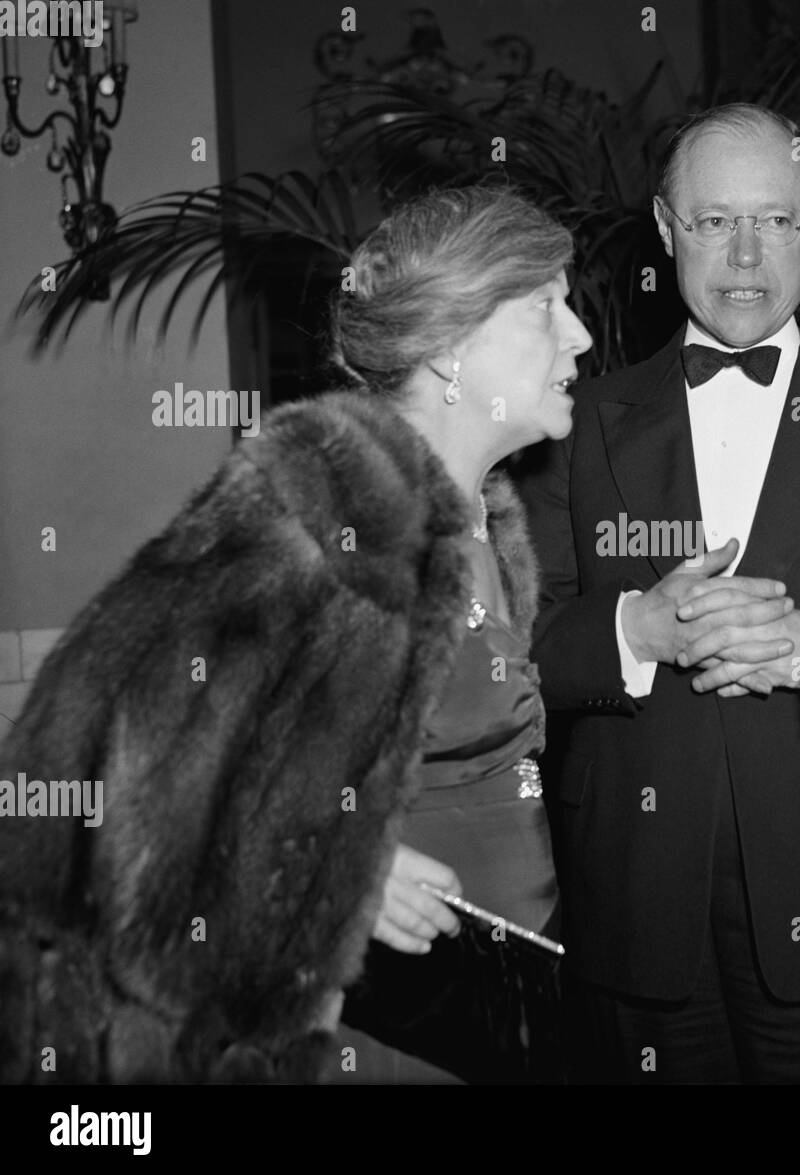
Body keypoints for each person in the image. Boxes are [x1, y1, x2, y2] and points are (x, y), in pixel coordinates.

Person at [0, 185, 591, 1083]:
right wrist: (334, 873)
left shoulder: (489, 517)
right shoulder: (320, 504)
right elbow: (83, 769)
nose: (582, 334)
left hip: (502, 1011)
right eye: (547, 308)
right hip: (369, 1030)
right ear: (449, 347)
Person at [518, 103, 800, 1083]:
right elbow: (514, 650)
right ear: (665, 230)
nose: (745, 256)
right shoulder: (572, 419)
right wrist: (635, 629)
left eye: (774, 220)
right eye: (711, 223)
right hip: (630, 901)